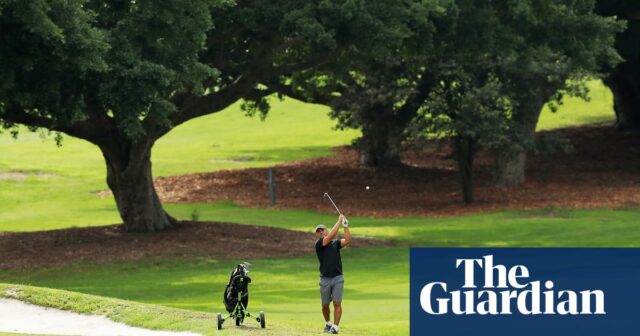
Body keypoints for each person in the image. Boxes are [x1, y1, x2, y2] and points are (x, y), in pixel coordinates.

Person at [314, 214, 351, 334]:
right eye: (318, 231)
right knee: (325, 305)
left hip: (338, 277)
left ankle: (335, 327)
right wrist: (339, 221)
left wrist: (346, 227)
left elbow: (347, 241)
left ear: (326, 230)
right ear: (317, 234)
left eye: (322, 230)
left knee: (337, 303)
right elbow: (330, 236)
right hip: (325, 279)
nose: (321, 232)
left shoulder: (335, 243)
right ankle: (328, 323)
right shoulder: (319, 244)